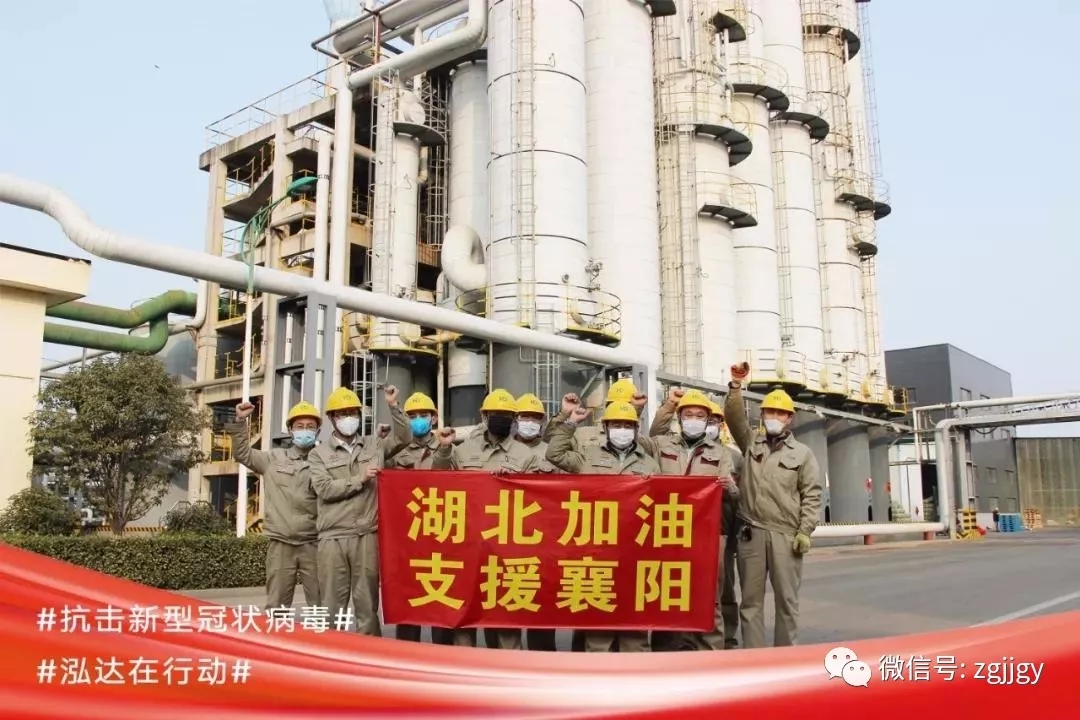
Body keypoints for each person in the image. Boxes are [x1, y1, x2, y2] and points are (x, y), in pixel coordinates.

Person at [545, 397, 660, 653]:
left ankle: (635, 671)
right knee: (598, 621)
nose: (622, 430)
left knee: (634, 623)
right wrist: (570, 424)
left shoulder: (649, 464)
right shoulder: (588, 456)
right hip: (596, 550)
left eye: (627, 425)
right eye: (616, 425)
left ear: (636, 429)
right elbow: (554, 454)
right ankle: (597, 672)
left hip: (634, 552)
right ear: (606, 428)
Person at [432, 388, 540, 649]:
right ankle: (465, 667)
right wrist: (444, 449)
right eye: (496, 414)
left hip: (507, 547)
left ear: (513, 419)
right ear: (484, 416)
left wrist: (516, 482)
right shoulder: (463, 451)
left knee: (505, 614)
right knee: (465, 612)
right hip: (468, 544)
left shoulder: (526, 455)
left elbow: (538, 499)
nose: (501, 419)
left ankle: (505, 667)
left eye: (507, 415)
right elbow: (439, 481)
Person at [724, 362, 822, 648]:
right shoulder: (751, 443)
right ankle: (754, 659)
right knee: (750, 602)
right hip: (751, 533)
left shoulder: (802, 454)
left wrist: (805, 531)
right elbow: (733, 417)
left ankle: (785, 659)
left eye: (780, 413)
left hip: (786, 536)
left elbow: (811, 494)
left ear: (789, 418)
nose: (774, 417)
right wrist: (736, 386)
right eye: (769, 412)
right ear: (762, 414)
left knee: (787, 601)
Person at [308, 385, 411, 636]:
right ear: (332, 418)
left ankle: (369, 653)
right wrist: (360, 479)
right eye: (343, 413)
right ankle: (332, 654)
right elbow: (324, 489)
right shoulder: (318, 454)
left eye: (353, 412)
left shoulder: (374, 445)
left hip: (366, 536)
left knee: (367, 607)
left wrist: (393, 405)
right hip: (333, 538)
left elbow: (405, 437)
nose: (349, 418)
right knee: (332, 607)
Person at [645, 388, 737, 651]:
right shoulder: (662, 445)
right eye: (688, 415)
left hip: (705, 534)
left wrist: (730, 487)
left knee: (707, 594)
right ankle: (668, 649)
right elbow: (651, 434)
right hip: (667, 530)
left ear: (707, 420)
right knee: (667, 590)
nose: (694, 420)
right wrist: (669, 405)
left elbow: (733, 494)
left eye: (700, 416)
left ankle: (710, 651)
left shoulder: (721, 453)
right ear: (679, 418)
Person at [227, 400, 322, 612]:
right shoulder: (273, 458)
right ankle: (277, 634)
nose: (305, 430)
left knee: (321, 606)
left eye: (310, 426)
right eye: (299, 426)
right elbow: (243, 454)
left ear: (317, 431)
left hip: (314, 543)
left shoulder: (325, 461)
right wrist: (240, 421)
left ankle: (322, 635)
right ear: (290, 430)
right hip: (281, 544)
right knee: (276, 607)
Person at [385, 391, 453, 645]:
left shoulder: (448, 447)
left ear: (433, 418)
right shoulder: (396, 453)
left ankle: (442, 654)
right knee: (408, 601)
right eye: (411, 416)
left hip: (440, 535)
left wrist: (444, 449)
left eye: (423, 415)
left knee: (440, 596)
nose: (417, 420)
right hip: (407, 539)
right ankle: (407, 655)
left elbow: (450, 482)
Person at [511, 392, 559, 651]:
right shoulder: (502, 449)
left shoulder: (551, 453)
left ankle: (542, 661)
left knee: (541, 604)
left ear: (542, 422)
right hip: (506, 537)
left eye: (535, 418)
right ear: (515, 420)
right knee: (507, 602)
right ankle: (506, 662)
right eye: (525, 417)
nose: (530, 422)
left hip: (543, 539)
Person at [542, 378, 655, 455]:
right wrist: (563, 415)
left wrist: (635, 413)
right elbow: (549, 443)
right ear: (607, 407)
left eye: (626, 406)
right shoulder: (582, 435)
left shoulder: (640, 441)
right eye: (615, 405)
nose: (620, 410)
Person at [715, 401, 744, 650]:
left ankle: (728, 634)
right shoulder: (684, 452)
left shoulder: (734, 457)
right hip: (687, 532)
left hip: (723, 530)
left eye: (715, 420)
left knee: (724, 586)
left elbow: (741, 497)